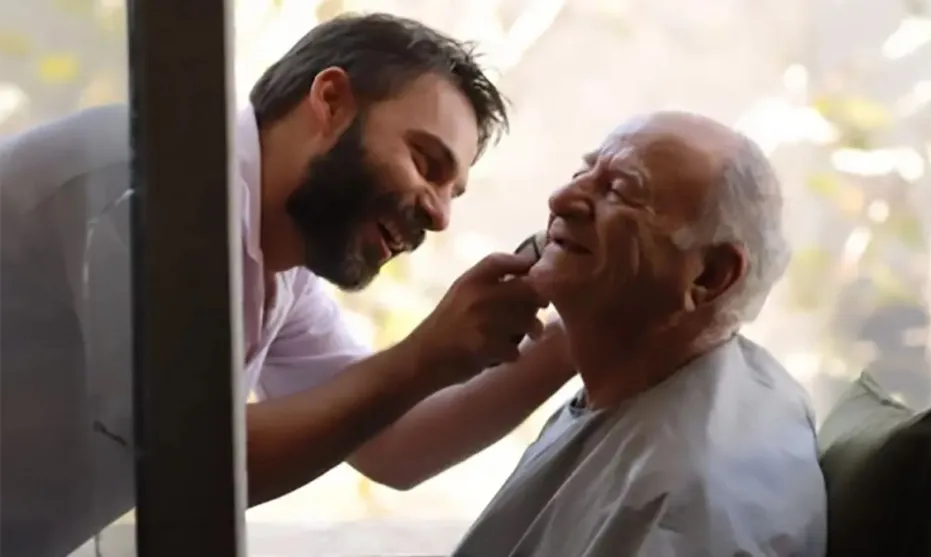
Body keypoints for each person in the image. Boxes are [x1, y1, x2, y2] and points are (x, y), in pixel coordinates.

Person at [0, 10, 574, 520]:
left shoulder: (279, 265)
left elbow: (393, 444)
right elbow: (195, 465)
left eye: (452, 192)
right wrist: (425, 355)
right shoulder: (151, 189)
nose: (439, 214)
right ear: (330, 100)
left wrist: (576, 334)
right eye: (426, 162)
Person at [452, 112, 827, 557]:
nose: (562, 198)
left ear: (710, 274)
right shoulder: (671, 385)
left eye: (619, 190)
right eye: (582, 173)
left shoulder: (682, 503)